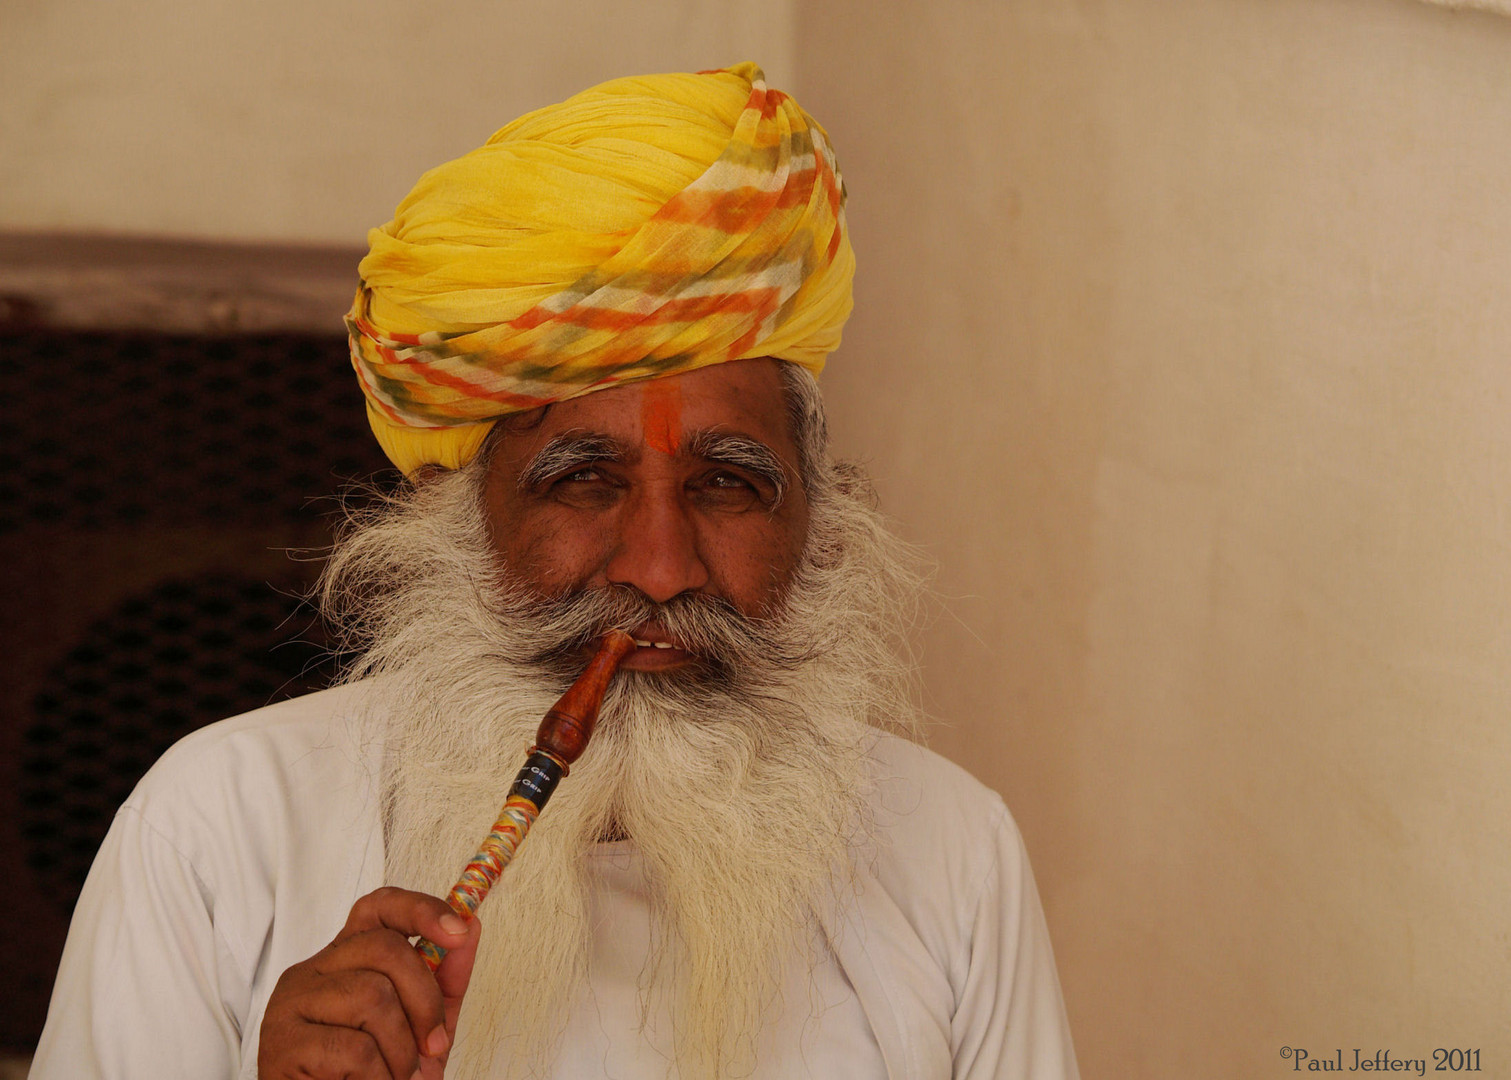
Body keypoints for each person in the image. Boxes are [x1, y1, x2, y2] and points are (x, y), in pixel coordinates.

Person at [31, 63, 1079, 1079]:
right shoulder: (223, 825)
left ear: (823, 526)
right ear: (460, 523)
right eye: (581, 482)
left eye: (726, 485)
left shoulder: (947, 849)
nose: (661, 570)